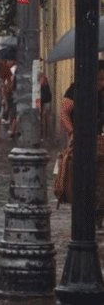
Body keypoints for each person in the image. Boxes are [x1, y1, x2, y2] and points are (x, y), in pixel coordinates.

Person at [59, 60, 104, 227]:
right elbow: (64, 112)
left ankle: (98, 213)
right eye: (99, 79)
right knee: (82, 176)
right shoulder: (77, 89)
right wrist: (72, 132)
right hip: (80, 139)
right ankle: (84, 213)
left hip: (98, 138)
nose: (102, 83)